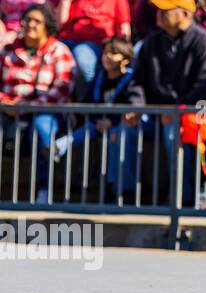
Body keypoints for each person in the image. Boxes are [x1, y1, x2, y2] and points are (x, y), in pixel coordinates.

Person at [0, 4, 75, 206]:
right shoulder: (7, 50)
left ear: (47, 26)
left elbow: (64, 86)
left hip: (44, 112)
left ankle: (45, 190)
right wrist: (2, 101)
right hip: (7, 110)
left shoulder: (59, 51)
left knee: (43, 129)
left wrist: (32, 106)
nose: (30, 25)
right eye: (27, 20)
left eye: (37, 21)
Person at [124, 0, 206, 205]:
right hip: (155, 112)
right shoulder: (152, 42)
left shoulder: (204, 43)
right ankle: (125, 194)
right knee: (127, 129)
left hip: (192, 113)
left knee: (173, 133)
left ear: (186, 14)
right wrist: (135, 106)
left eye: (166, 10)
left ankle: (180, 200)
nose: (159, 14)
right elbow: (138, 81)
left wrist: (178, 110)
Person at [49, 37, 139, 199]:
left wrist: (112, 122)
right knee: (86, 130)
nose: (107, 57)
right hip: (98, 123)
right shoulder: (99, 76)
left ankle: (115, 187)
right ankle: (58, 147)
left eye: (113, 53)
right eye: (105, 53)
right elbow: (90, 102)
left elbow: (131, 106)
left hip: (118, 124)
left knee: (116, 137)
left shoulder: (131, 79)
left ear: (125, 60)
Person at [58, 0, 130, 89]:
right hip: (68, 39)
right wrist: (66, 1)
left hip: (95, 43)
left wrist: (121, 46)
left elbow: (124, 25)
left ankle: (86, 101)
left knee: (83, 61)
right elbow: (61, 24)